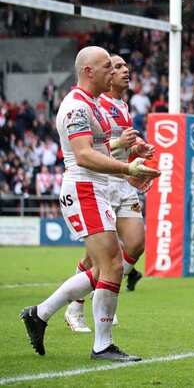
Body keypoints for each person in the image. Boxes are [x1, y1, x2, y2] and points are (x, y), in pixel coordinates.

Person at [20, 46, 160, 361]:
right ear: (88, 71)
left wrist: (132, 167)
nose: (114, 72)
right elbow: (83, 155)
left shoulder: (96, 105)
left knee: (110, 263)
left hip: (101, 186)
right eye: (108, 67)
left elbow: (105, 151)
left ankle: (41, 314)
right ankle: (100, 343)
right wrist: (127, 168)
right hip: (85, 188)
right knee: (109, 265)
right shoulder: (76, 107)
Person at [64, 54, 155, 333]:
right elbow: (93, 149)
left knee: (136, 243)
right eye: (117, 67)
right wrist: (121, 146)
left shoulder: (123, 106)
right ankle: (75, 307)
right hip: (102, 180)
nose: (125, 71)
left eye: (127, 66)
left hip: (123, 180)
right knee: (99, 256)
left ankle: (103, 291)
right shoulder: (94, 103)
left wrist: (136, 149)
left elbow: (119, 144)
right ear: (106, 75)